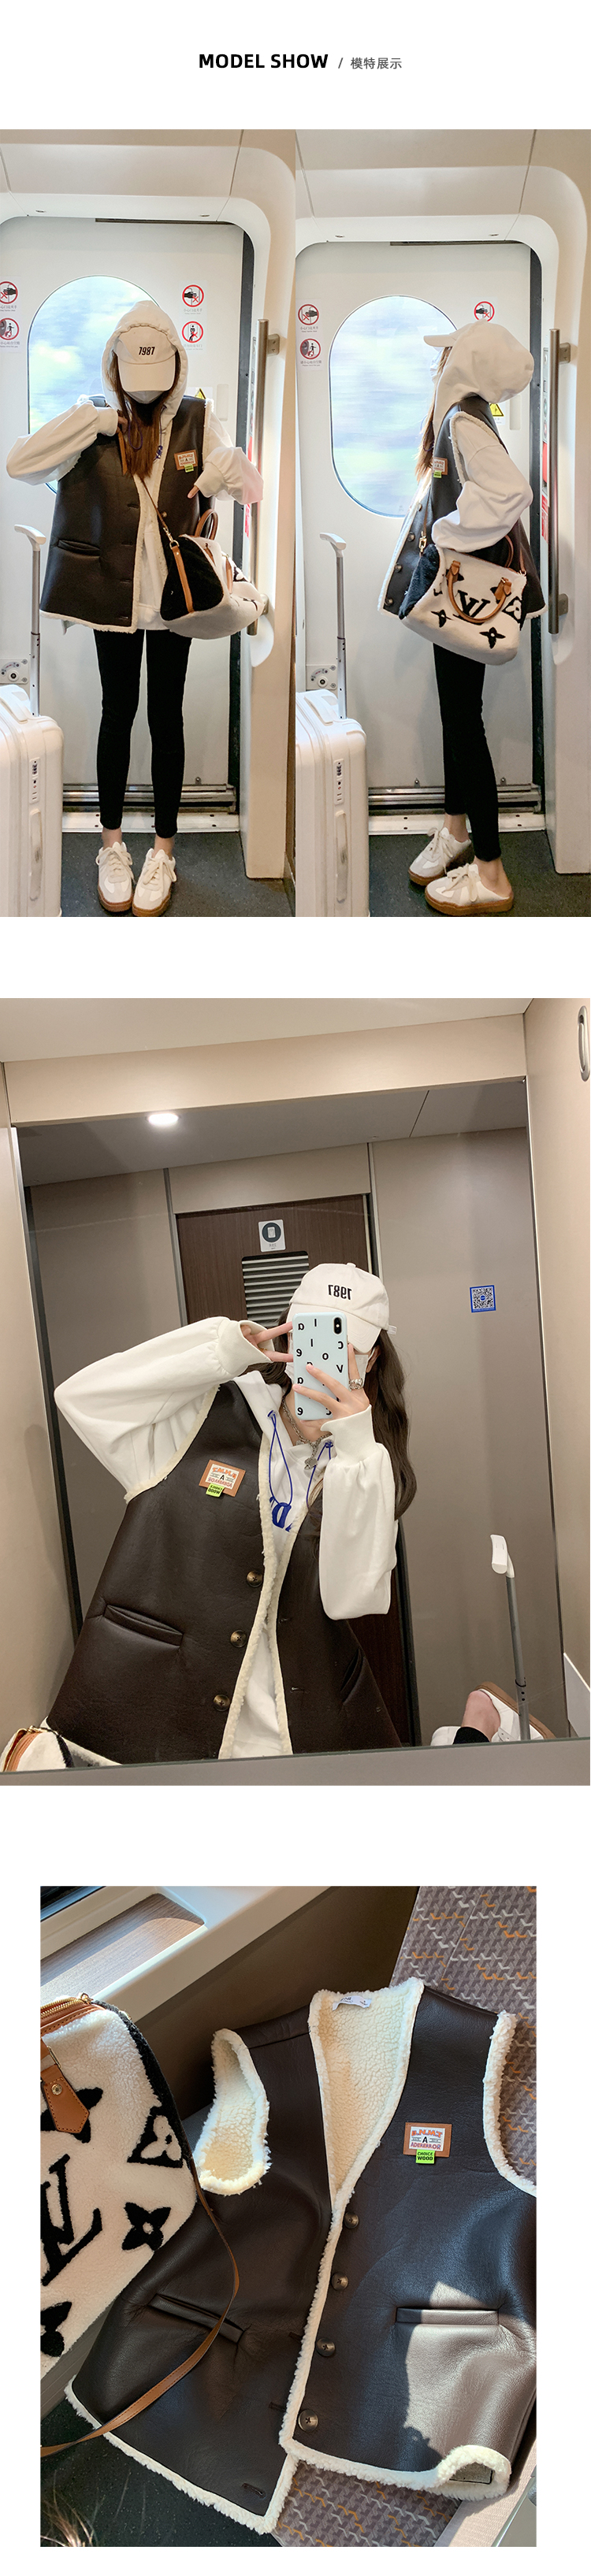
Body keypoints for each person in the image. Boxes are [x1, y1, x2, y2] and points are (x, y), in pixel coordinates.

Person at [9, 1264, 418, 1769]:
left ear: (371, 1359)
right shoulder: (202, 1413)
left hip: (290, 1732)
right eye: (312, 1333)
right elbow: (81, 1399)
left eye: (345, 1345)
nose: (324, 1357)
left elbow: (350, 1599)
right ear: (290, 1333)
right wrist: (221, 1350)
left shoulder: (370, 1465)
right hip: (162, 1719)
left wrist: (356, 1447)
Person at [6, 300, 262, 917]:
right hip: (113, 598)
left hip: (176, 600)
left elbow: (250, 489)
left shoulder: (200, 417)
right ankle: (113, 846)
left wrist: (221, 473)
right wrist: (89, 421)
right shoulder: (93, 418)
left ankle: (164, 851)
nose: (146, 394)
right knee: (117, 713)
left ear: (176, 368)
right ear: (114, 369)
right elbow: (19, 464)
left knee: (166, 717)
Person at [406, 321, 545, 917]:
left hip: (467, 592)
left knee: (464, 722)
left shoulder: (462, 420)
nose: (436, 368)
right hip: (467, 592)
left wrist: (447, 533)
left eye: (445, 357)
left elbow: (510, 492)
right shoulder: (465, 415)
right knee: (456, 714)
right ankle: (456, 829)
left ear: (462, 363)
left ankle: (491, 872)